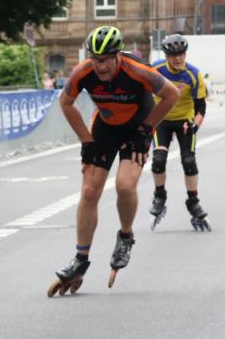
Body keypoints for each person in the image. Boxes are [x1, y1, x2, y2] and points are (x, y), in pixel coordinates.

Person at [48, 25, 178, 295]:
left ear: (118, 55)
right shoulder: (83, 71)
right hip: (105, 128)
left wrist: (146, 130)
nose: (100, 66)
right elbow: (65, 103)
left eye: (106, 59)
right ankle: (80, 259)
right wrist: (86, 141)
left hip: (137, 128)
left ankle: (126, 236)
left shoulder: (137, 70)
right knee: (89, 190)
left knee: (125, 186)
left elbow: (171, 95)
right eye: (96, 59)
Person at [148, 34, 210, 232]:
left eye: (181, 54)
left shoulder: (194, 74)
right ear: (166, 56)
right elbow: (141, 91)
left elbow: (201, 107)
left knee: (188, 161)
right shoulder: (156, 69)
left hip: (185, 120)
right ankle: (159, 196)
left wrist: (195, 126)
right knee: (158, 159)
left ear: (185, 54)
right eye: (173, 55)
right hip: (161, 120)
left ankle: (193, 202)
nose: (177, 58)